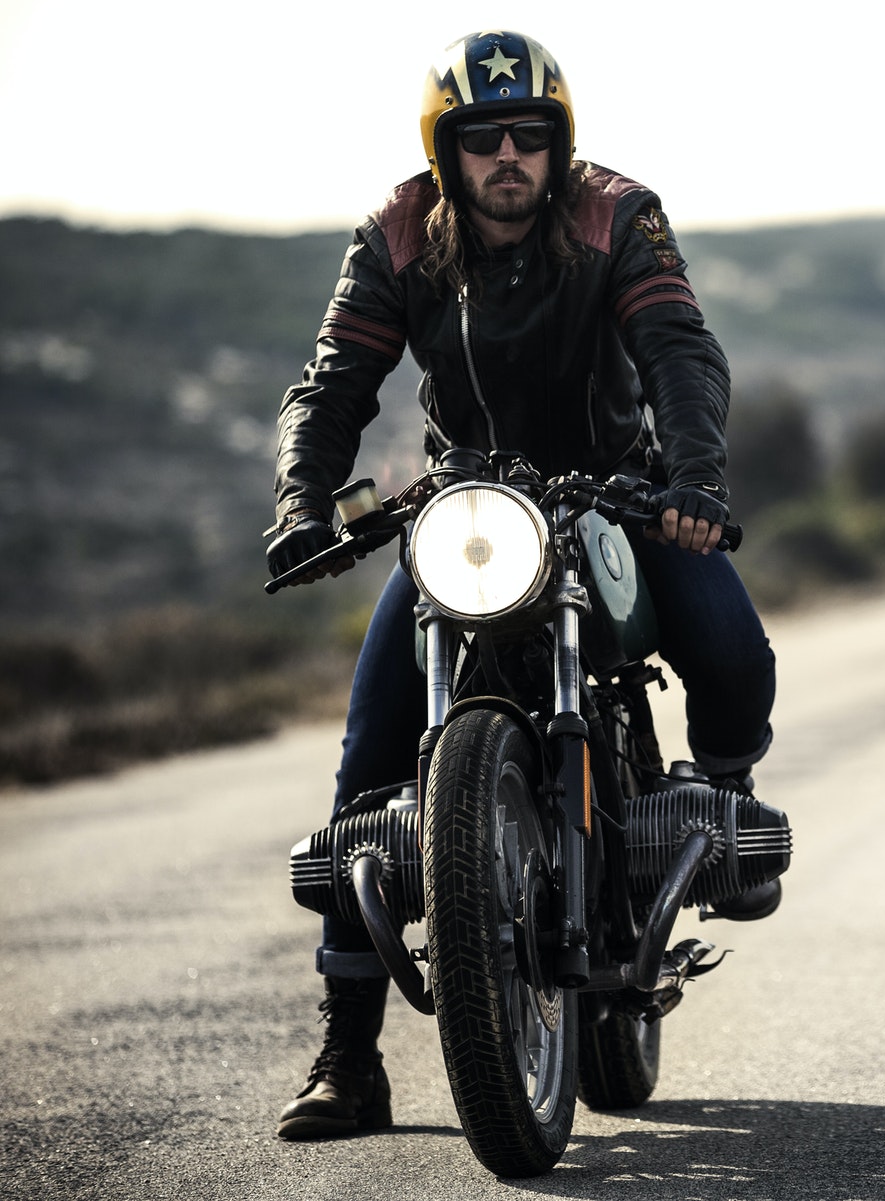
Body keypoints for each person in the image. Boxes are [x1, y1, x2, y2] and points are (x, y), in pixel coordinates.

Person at [263, 31, 777, 1141]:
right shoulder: (397, 232)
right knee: (367, 757)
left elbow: (678, 348)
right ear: (444, 151)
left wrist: (693, 476)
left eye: (528, 135)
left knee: (734, 654)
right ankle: (349, 1056)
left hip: (616, 491)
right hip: (471, 509)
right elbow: (333, 379)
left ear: (558, 144)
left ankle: (726, 805)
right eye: (483, 137)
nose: (507, 155)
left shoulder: (617, 214)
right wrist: (302, 502)